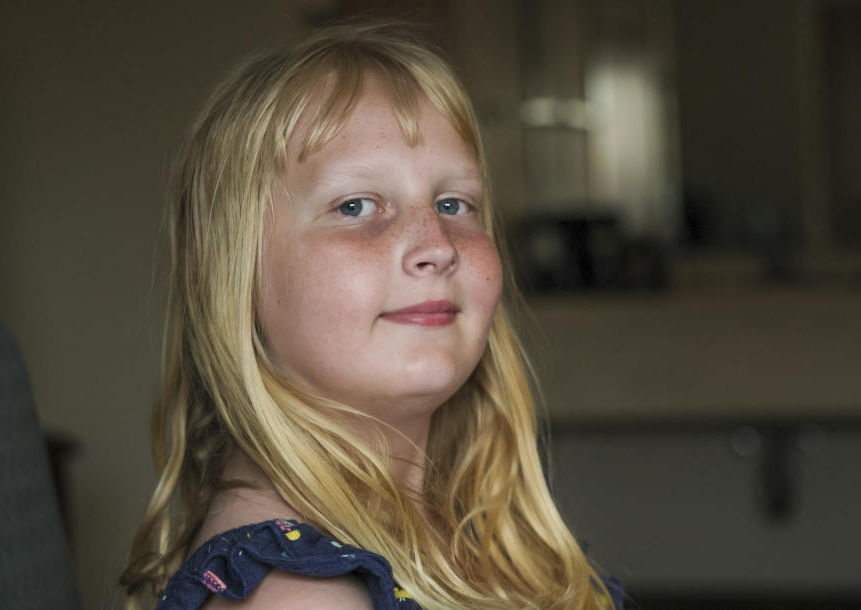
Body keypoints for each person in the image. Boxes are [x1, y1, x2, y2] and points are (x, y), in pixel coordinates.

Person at [122, 21, 620, 610]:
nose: (437, 243)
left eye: (453, 203)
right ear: (233, 273)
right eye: (355, 205)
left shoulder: (455, 535)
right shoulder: (301, 599)